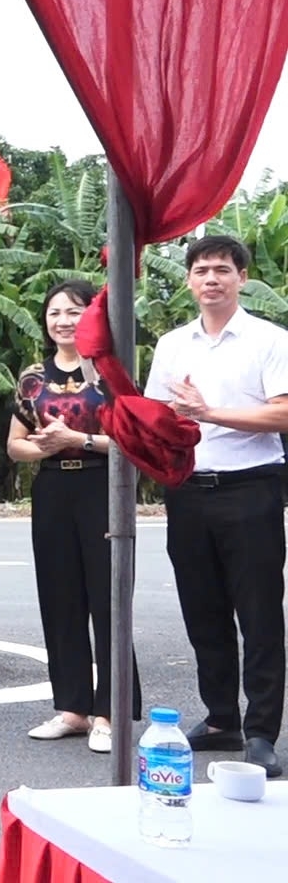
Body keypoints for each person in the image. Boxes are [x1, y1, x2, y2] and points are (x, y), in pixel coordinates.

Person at [144, 235, 288, 777]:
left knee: (258, 615)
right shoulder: (173, 345)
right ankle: (221, 716)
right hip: (188, 491)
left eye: (222, 270)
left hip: (251, 489)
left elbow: (282, 414)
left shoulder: (269, 340)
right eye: (201, 270)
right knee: (203, 612)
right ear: (188, 280)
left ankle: (261, 732)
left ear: (242, 277)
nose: (211, 279)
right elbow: (159, 414)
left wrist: (211, 413)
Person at [8, 279, 142, 755]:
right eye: (54, 312)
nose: (63, 320)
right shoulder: (32, 378)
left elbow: (132, 440)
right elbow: (15, 445)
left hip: (102, 486)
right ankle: (72, 708)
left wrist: (78, 441)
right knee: (60, 598)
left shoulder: (110, 373)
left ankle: (109, 712)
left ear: (92, 316)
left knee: (107, 600)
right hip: (52, 490)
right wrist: (43, 445)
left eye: (74, 311)